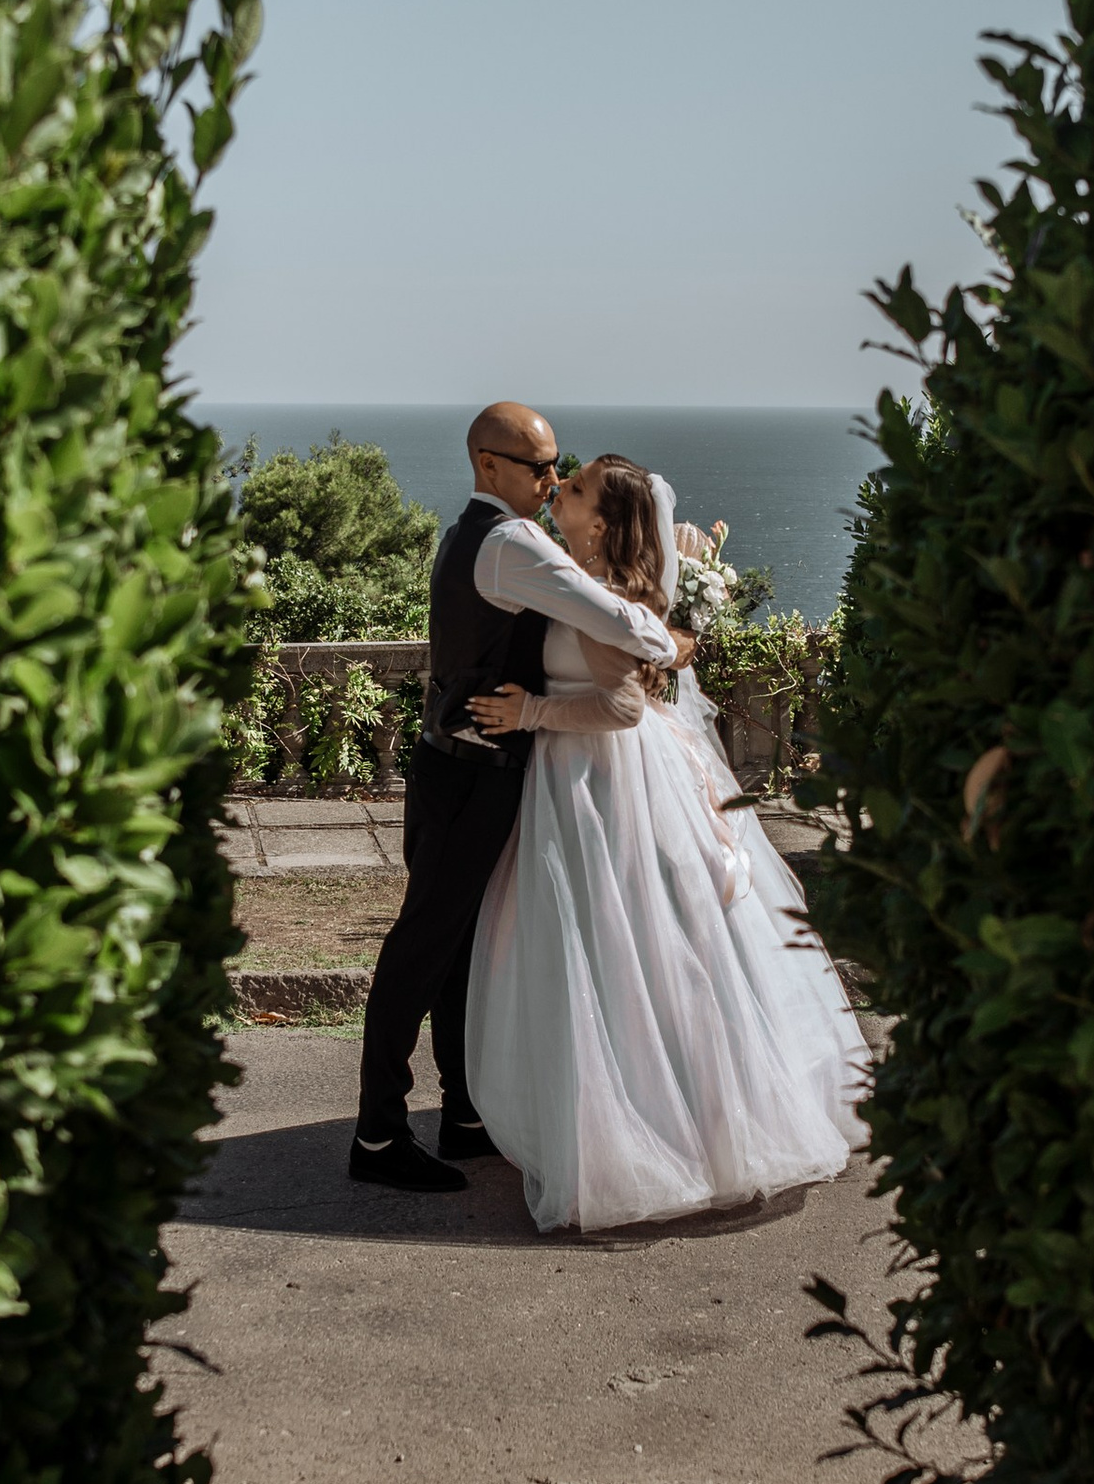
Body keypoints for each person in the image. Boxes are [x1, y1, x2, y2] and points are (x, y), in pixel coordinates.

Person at [462, 456, 866, 1232]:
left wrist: (531, 716)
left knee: (620, 946)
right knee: (617, 951)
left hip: (600, 780)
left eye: (573, 490)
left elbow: (617, 709)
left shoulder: (605, 600)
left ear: (604, 523)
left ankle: (655, 1132)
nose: (559, 493)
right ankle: (629, 1115)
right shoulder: (586, 582)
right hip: (586, 780)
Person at [350, 404, 680, 1190]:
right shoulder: (509, 545)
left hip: (461, 766)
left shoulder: (477, 534)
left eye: (556, 465)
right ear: (487, 465)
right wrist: (674, 633)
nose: (553, 479)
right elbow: (630, 629)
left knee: (461, 952)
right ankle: (377, 1135)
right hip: (469, 774)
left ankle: (464, 1115)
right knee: (424, 949)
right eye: (539, 469)